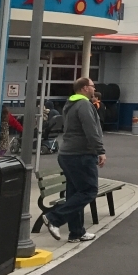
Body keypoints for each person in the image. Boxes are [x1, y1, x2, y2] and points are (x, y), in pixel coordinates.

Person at [42, 77, 106, 242]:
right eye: (92, 86)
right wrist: (100, 151)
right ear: (85, 88)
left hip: (67, 155)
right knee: (89, 191)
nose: (94, 89)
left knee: (75, 193)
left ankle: (76, 232)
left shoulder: (70, 104)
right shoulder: (84, 105)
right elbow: (91, 130)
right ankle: (54, 218)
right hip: (81, 154)